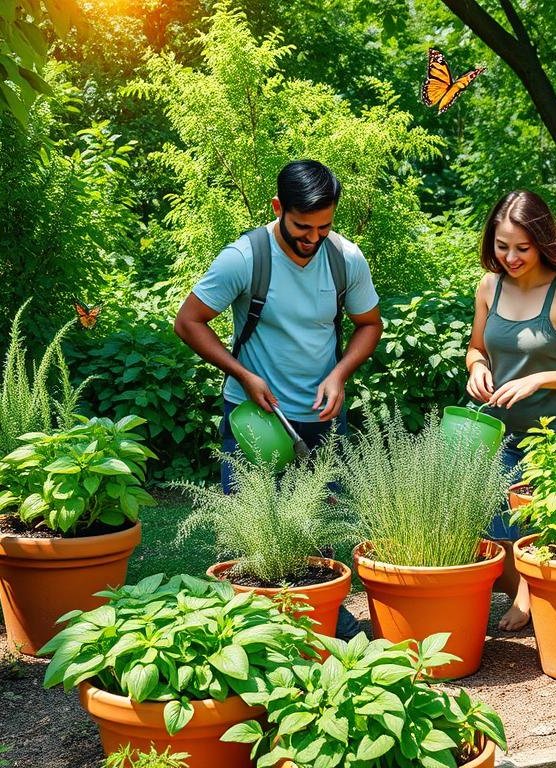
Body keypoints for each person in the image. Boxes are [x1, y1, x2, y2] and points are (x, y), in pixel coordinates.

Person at [173, 159, 383, 637]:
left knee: (319, 531)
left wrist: (340, 374)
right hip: (256, 420)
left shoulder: (345, 258)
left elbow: (369, 325)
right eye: (301, 228)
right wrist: (242, 373)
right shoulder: (245, 258)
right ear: (277, 209)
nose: (311, 240)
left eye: (323, 228)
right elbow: (188, 321)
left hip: (322, 417)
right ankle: (252, 636)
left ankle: (324, 627)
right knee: (250, 534)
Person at [465, 190, 556, 631]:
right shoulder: (490, 287)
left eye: (522, 248)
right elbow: (476, 348)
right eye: (501, 245)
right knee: (493, 527)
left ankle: (532, 601)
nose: (510, 257)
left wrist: (540, 378)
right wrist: (476, 368)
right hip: (499, 433)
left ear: (542, 242)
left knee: (544, 527)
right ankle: (527, 595)